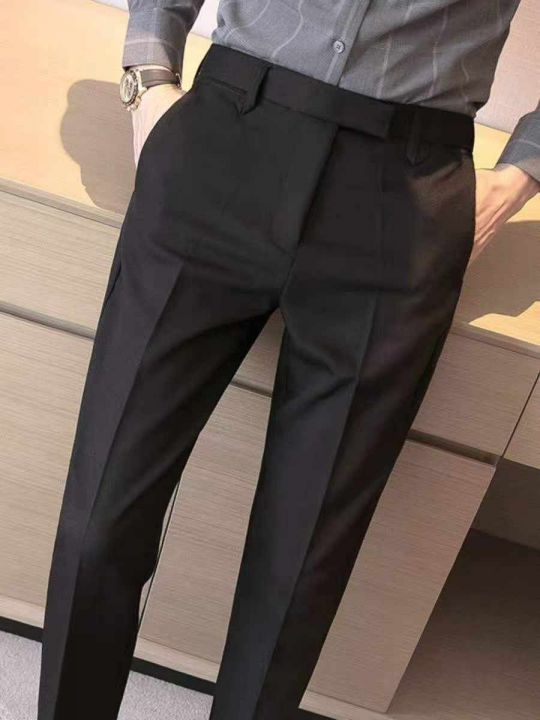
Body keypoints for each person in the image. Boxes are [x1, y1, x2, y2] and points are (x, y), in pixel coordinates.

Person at [38, 2, 539, 719]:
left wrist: (519, 175)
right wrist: (148, 76)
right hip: (227, 136)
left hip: (405, 195)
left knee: (298, 570)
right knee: (99, 521)